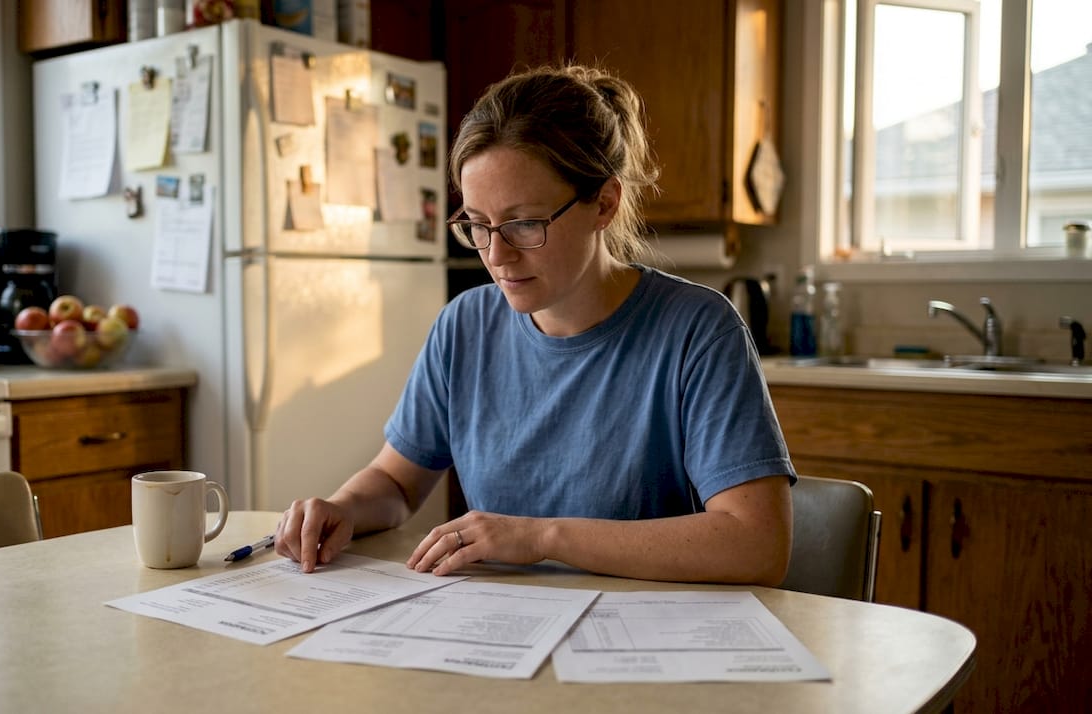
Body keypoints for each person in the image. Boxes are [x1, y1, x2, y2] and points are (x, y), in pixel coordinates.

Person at [275, 64, 795, 585]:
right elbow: (395, 481)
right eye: (478, 225)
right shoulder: (464, 326)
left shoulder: (698, 331)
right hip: (502, 632)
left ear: (604, 204)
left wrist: (542, 537)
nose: (496, 254)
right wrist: (344, 507)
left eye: (524, 223)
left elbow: (757, 544)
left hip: (641, 637)